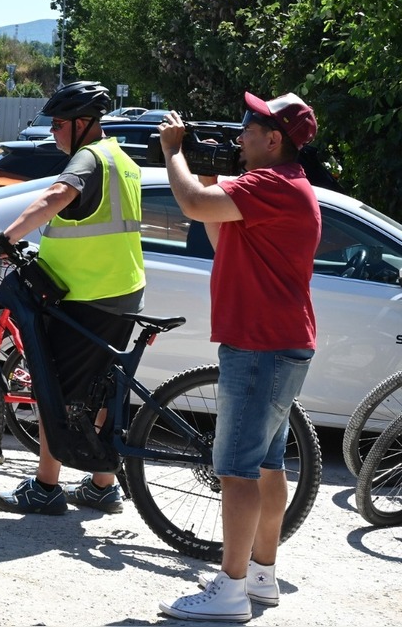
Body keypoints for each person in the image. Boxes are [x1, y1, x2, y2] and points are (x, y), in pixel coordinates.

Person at [157, 92, 320, 623]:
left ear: (275, 139)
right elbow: (214, 221)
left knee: (234, 471)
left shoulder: (273, 184)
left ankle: (229, 590)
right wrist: (208, 177)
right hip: (277, 343)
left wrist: (174, 152)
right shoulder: (284, 188)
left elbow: (190, 207)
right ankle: (261, 576)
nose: (240, 133)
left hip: (258, 346)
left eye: (250, 126)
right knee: (267, 465)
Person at [0, 80, 145, 517]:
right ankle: (101, 486)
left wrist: (8, 236)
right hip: (121, 290)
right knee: (100, 388)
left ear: (81, 124)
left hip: (87, 295)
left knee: (54, 388)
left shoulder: (89, 158)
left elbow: (58, 195)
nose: (52, 131)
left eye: (58, 123)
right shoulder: (123, 159)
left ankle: (45, 487)